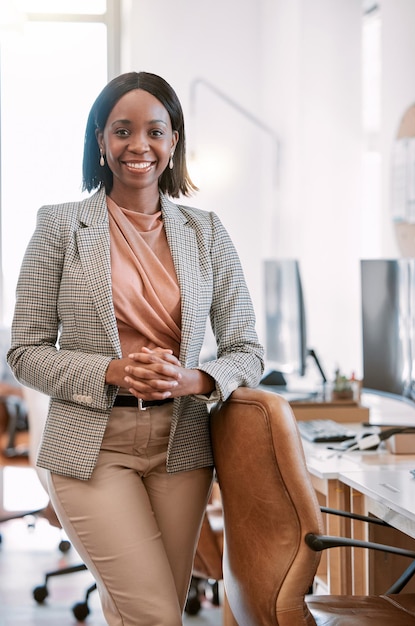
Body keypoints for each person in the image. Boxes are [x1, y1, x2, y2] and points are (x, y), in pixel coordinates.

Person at [7, 71, 264, 625]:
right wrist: (114, 371)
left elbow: (248, 350)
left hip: (182, 447)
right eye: (122, 131)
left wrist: (193, 379)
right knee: (154, 615)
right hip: (92, 448)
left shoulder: (207, 232)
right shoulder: (59, 226)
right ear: (101, 141)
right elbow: (23, 350)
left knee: (146, 611)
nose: (138, 146)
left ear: (174, 143)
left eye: (155, 131)